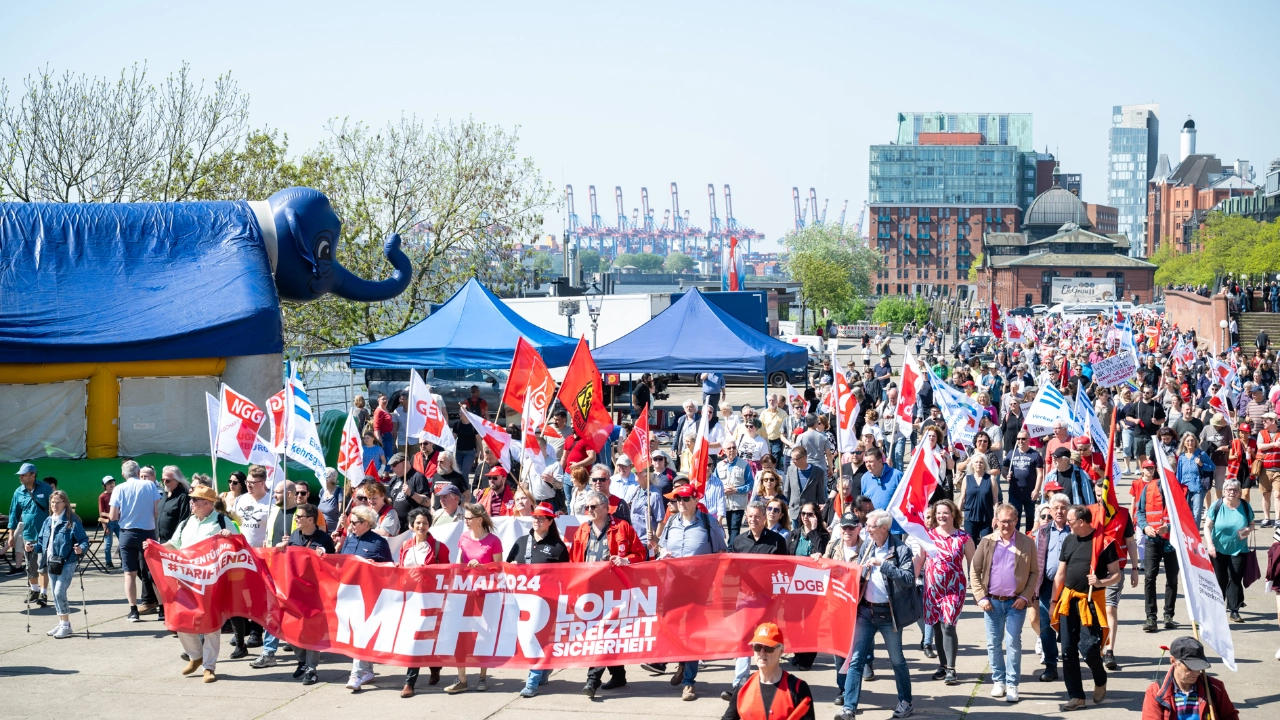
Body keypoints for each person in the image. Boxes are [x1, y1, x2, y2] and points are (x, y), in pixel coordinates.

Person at [838, 510, 920, 720]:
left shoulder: (901, 549)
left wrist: (883, 565)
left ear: (884, 528)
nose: (866, 529)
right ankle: (849, 708)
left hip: (889, 615)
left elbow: (909, 578)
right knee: (855, 660)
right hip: (866, 612)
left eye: (871, 526)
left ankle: (905, 702)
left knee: (897, 660)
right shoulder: (868, 545)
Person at [658, 484, 729, 700]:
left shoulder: (708, 523)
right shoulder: (671, 522)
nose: (680, 502)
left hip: (699, 590)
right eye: (677, 499)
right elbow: (662, 547)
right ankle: (682, 661)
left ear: (696, 500)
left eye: (685, 499)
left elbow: (721, 552)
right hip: (673, 587)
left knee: (692, 633)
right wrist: (663, 553)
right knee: (670, 628)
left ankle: (689, 682)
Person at [573, 489, 647, 697]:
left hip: (615, 591)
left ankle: (592, 680)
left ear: (605, 508)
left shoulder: (622, 528)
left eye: (593, 506)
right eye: (587, 507)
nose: (589, 510)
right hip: (590, 591)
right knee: (604, 634)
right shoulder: (582, 530)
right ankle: (618, 674)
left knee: (602, 635)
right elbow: (574, 560)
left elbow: (641, 554)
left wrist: (626, 560)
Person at [1051, 505, 1120, 712]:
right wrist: (1054, 602)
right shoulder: (1069, 540)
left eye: (1070, 521)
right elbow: (1061, 573)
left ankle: (1100, 678)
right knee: (1068, 651)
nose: (1067, 524)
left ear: (1081, 522)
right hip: (1068, 601)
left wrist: (1100, 582)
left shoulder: (1104, 542)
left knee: (1089, 648)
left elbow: (1116, 574)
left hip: (1090, 602)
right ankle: (1076, 696)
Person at [166, 484, 237, 682]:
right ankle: (195, 656)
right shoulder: (186, 522)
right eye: (192, 499)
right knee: (180, 620)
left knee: (210, 625)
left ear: (207, 503)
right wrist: (153, 547)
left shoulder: (222, 521)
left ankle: (209, 667)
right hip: (186, 580)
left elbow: (239, 546)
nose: (191, 503)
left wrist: (230, 538)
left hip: (211, 582)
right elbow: (173, 545)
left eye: (195, 500)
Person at [970, 504, 1039, 703]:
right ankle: (998, 681)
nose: (1006, 525)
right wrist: (981, 597)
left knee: (1013, 643)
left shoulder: (1027, 543)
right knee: (993, 644)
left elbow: (1034, 572)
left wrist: (1025, 597)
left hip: (1015, 604)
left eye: (1010, 521)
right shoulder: (987, 541)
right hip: (991, 603)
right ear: (996, 521)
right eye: (1002, 521)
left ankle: (1012, 684)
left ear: (1016, 521)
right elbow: (975, 570)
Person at [511, 502, 570, 697]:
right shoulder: (520, 541)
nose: (536, 521)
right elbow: (509, 565)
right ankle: (543, 669)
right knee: (529, 639)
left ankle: (532, 681)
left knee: (533, 639)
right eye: (534, 517)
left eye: (541, 518)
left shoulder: (558, 547)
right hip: (523, 601)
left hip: (547, 601)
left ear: (549, 521)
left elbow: (567, 576)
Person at [445, 503, 503, 694]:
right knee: (460, 634)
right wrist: (466, 567)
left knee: (484, 633)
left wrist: (482, 568)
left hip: (486, 593)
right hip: (465, 592)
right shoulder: (463, 537)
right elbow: (458, 563)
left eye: (469, 518)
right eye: (465, 518)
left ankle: (482, 676)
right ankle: (461, 678)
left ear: (480, 519)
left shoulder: (493, 541)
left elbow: (499, 568)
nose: (466, 521)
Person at [395, 507, 449, 697]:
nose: (421, 526)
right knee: (415, 638)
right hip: (409, 599)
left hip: (429, 599)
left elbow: (446, 574)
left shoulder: (438, 547)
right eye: (417, 522)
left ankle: (410, 682)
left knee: (420, 638)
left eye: (424, 522)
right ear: (411, 525)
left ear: (429, 525)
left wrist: (427, 574)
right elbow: (402, 570)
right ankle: (433, 666)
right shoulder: (405, 546)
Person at [340, 505, 393, 691]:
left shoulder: (379, 543)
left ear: (366, 523)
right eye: (350, 522)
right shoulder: (349, 539)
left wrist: (374, 566)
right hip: (349, 594)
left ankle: (356, 674)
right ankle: (368, 671)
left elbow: (389, 568)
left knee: (361, 633)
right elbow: (341, 562)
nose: (351, 525)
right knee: (356, 634)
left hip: (369, 596)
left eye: (354, 522)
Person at [923, 499, 973, 686]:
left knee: (948, 625)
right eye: (938, 513)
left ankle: (951, 668)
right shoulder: (927, 536)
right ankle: (942, 666)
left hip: (954, 589)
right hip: (931, 589)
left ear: (953, 514)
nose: (941, 516)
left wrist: (977, 590)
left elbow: (973, 566)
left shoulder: (963, 538)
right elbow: (919, 561)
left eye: (945, 512)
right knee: (937, 625)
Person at [721, 622, 816, 720]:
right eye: (757, 647)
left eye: (768, 648)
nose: (762, 652)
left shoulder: (798, 688)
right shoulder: (744, 685)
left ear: (781, 651)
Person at [284, 502, 334, 685]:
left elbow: (333, 564)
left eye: (300, 516)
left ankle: (311, 669)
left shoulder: (324, 539)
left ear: (311, 520)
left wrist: (325, 555)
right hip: (294, 591)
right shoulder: (293, 536)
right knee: (287, 628)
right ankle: (302, 660)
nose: (296, 519)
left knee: (312, 632)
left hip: (315, 593)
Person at [109, 459, 162, 622]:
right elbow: (156, 511)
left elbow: (113, 516)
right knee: (154, 572)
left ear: (123, 474)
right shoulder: (149, 486)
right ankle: (163, 609)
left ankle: (133, 610)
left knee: (129, 574)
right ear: (139, 473)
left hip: (127, 533)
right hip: (147, 532)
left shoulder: (118, 488)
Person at [1140, 636, 1239, 720]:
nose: (1196, 672)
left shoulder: (1215, 687)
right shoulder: (1155, 691)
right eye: (1191, 667)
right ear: (1174, 661)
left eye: (1199, 666)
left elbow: (1230, 716)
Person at [32, 489, 88, 639]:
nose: (54, 505)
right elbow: (41, 542)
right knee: (55, 594)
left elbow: (83, 540)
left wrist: (80, 548)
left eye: (57, 502)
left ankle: (66, 625)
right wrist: (32, 547)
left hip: (67, 562)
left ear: (65, 503)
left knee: (59, 592)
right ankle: (62, 622)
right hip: (51, 562)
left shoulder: (72, 521)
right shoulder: (48, 521)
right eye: (52, 502)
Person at [1137, 458, 1182, 633]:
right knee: (1149, 577)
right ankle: (1151, 617)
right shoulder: (1149, 488)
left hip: (1172, 541)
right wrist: (1144, 526)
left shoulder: (1179, 489)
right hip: (1152, 540)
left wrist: (1168, 527)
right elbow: (1140, 512)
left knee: (1172, 578)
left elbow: (1186, 518)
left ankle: (1168, 615)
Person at [1205, 480, 1255, 622]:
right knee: (1220, 579)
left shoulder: (1245, 506)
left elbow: (1252, 524)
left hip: (1239, 549)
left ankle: (1234, 610)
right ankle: (1218, 609)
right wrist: (1210, 544)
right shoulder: (1217, 505)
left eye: (1234, 490)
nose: (1231, 492)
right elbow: (1207, 527)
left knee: (1235, 579)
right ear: (1224, 491)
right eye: (1229, 490)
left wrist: (1248, 529)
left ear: (1239, 492)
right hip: (1218, 549)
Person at [1035, 494, 1072, 681]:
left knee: (1067, 626)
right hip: (1046, 585)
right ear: (1049, 509)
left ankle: (1069, 663)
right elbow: (1036, 560)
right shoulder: (1042, 532)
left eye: (1063, 507)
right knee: (1046, 626)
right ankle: (1050, 665)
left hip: (1070, 587)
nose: (1059, 511)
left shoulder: (1074, 531)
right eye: (1055, 507)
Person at [7, 463, 52, 607]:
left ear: (33, 475)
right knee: (30, 565)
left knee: (42, 565)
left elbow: (54, 510)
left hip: (45, 535)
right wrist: (11, 535)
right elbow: (14, 514)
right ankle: (34, 591)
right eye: (20, 475)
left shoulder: (46, 489)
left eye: (24, 475)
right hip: (28, 534)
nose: (21, 477)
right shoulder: (18, 492)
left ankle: (43, 593)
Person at [1004, 430, 1044, 531]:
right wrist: (1006, 476)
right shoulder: (1011, 454)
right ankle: (1015, 538)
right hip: (1014, 492)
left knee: (1030, 517)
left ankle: (1028, 539)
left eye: (1023, 439)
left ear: (1028, 440)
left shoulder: (1035, 455)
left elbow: (1040, 474)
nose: (1020, 441)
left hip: (1030, 492)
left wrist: (1036, 490)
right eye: (1018, 439)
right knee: (1013, 517)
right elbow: (1004, 470)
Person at [859, 447, 904, 533]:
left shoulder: (897, 475)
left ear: (880, 461)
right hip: (874, 527)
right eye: (866, 462)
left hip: (894, 528)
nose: (867, 464)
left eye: (871, 462)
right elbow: (864, 502)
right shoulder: (865, 478)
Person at [715, 442, 754, 539]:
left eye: (734, 447)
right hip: (724, 503)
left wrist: (736, 490)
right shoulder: (719, 466)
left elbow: (750, 484)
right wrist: (722, 490)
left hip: (738, 504)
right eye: (729, 448)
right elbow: (714, 484)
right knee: (728, 527)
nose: (732, 450)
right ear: (723, 451)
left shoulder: (744, 464)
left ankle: (731, 550)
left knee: (734, 528)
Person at [387, 452, 432, 533]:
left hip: (412, 526)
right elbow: (391, 499)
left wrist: (411, 493)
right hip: (397, 525)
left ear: (404, 464)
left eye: (394, 465)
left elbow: (427, 502)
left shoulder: (418, 477)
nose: (391, 468)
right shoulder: (395, 479)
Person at [1176, 431, 1214, 526]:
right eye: (1188, 441)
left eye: (1192, 441)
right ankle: (1188, 532)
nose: (1190, 443)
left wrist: (1202, 464)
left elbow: (1212, 467)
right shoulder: (1181, 457)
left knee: (1196, 512)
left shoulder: (1201, 454)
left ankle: (1196, 534)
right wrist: (1178, 488)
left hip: (1198, 487)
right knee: (1186, 512)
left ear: (1195, 442)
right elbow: (1179, 474)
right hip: (1185, 488)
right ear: (1184, 442)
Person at [957, 454, 999, 541]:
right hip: (970, 517)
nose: (978, 464)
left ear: (985, 465)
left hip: (986, 518)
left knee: (986, 544)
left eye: (981, 462)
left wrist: (995, 517)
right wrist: (957, 515)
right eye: (976, 462)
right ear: (972, 465)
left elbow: (995, 500)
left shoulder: (991, 479)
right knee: (970, 544)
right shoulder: (966, 479)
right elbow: (962, 498)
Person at [1258, 412, 1280, 527]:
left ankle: (1278, 519)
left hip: (1278, 470)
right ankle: (1267, 518)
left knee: (1278, 495)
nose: (1263, 422)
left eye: (1265, 420)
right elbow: (1260, 446)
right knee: (1266, 494)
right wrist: (1275, 444)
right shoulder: (1262, 433)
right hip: (1264, 469)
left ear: (1273, 421)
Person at [96, 475, 120, 570]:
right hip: (109, 522)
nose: (111, 484)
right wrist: (105, 526)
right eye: (108, 483)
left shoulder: (117, 494)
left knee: (123, 542)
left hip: (119, 522)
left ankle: (124, 560)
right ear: (104, 486)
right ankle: (108, 562)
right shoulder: (102, 496)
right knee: (108, 543)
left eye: (112, 482)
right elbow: (101, 512)